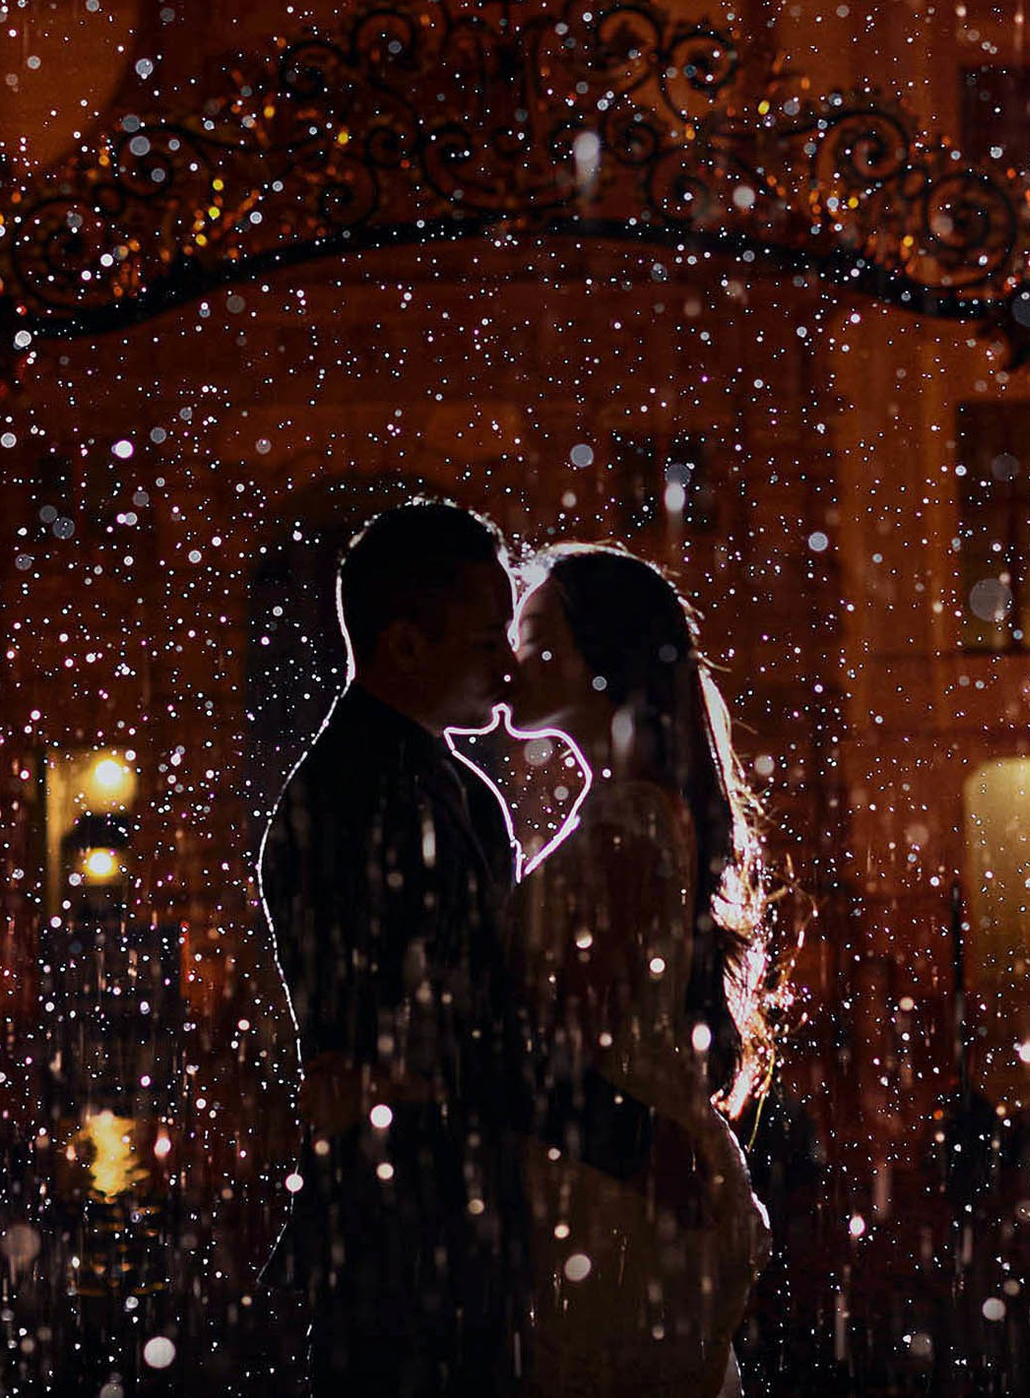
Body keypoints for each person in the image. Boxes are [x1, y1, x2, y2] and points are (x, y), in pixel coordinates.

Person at [257, 503, 679, 1395]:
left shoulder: (468, 792)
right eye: (489, 638)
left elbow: (480, 1013)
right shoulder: (340, 800)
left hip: (479, 1220)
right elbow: (440, 1033)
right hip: (399, 1236)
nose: (508, 664)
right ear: (407, 646)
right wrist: (631, 1137)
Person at [506, 544, 777, 1398]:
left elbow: (556, 1037)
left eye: (536, 641)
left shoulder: (624, 827)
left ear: (604, 660)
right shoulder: (629, 811)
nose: (512, 663)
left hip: (620, 1190)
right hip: (621, 1172)